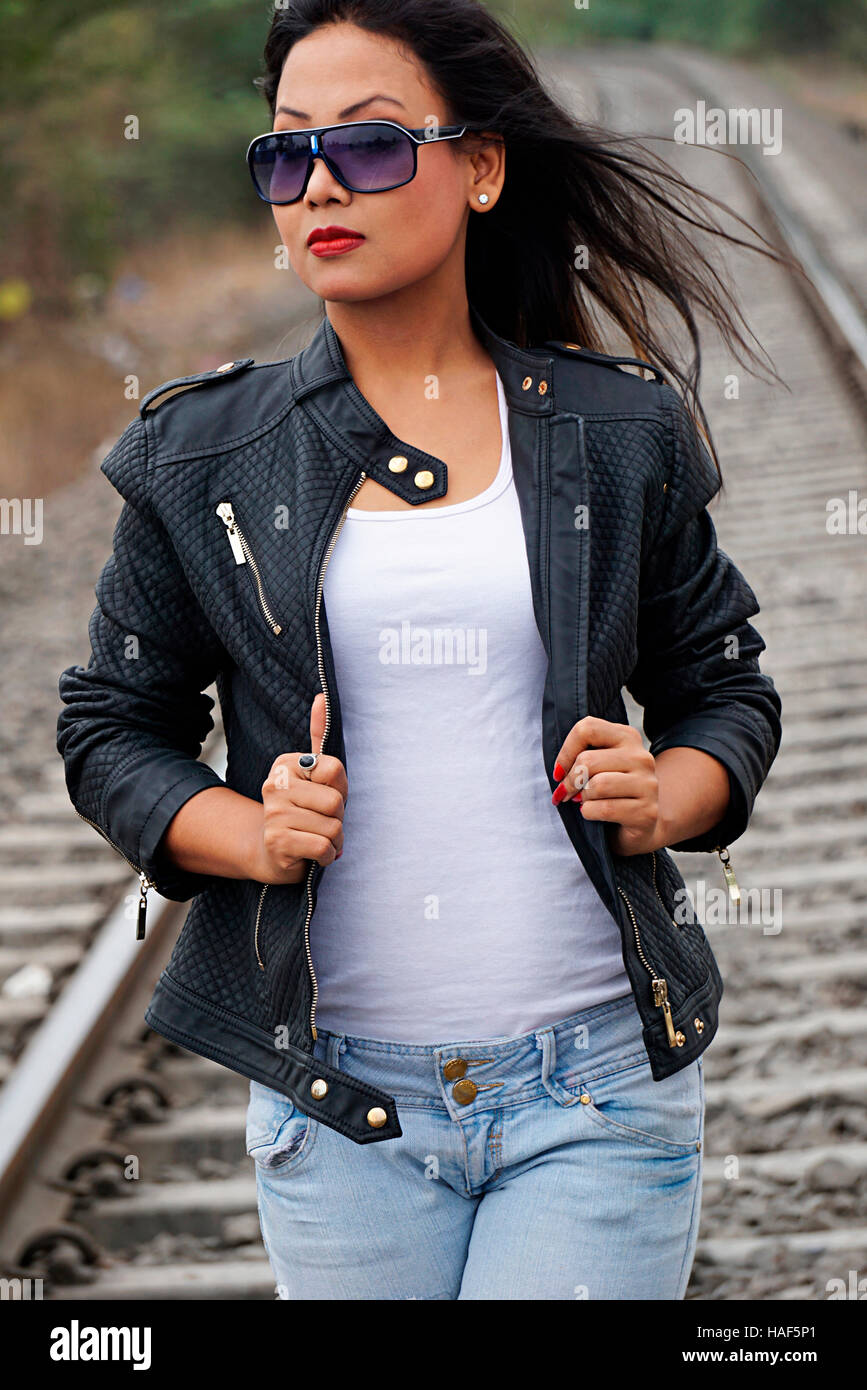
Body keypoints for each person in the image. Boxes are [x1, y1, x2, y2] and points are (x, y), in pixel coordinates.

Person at [58, 0, 784, 1299]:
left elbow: (723, 684)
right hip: (342, 1110)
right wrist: (247, 830)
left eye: (374, 146)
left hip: (596, 1093)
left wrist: (668, 790)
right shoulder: (203, 458)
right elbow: (109, 726)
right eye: (287, 153)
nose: (321, 181)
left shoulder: (617, 437)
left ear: (485, 166)